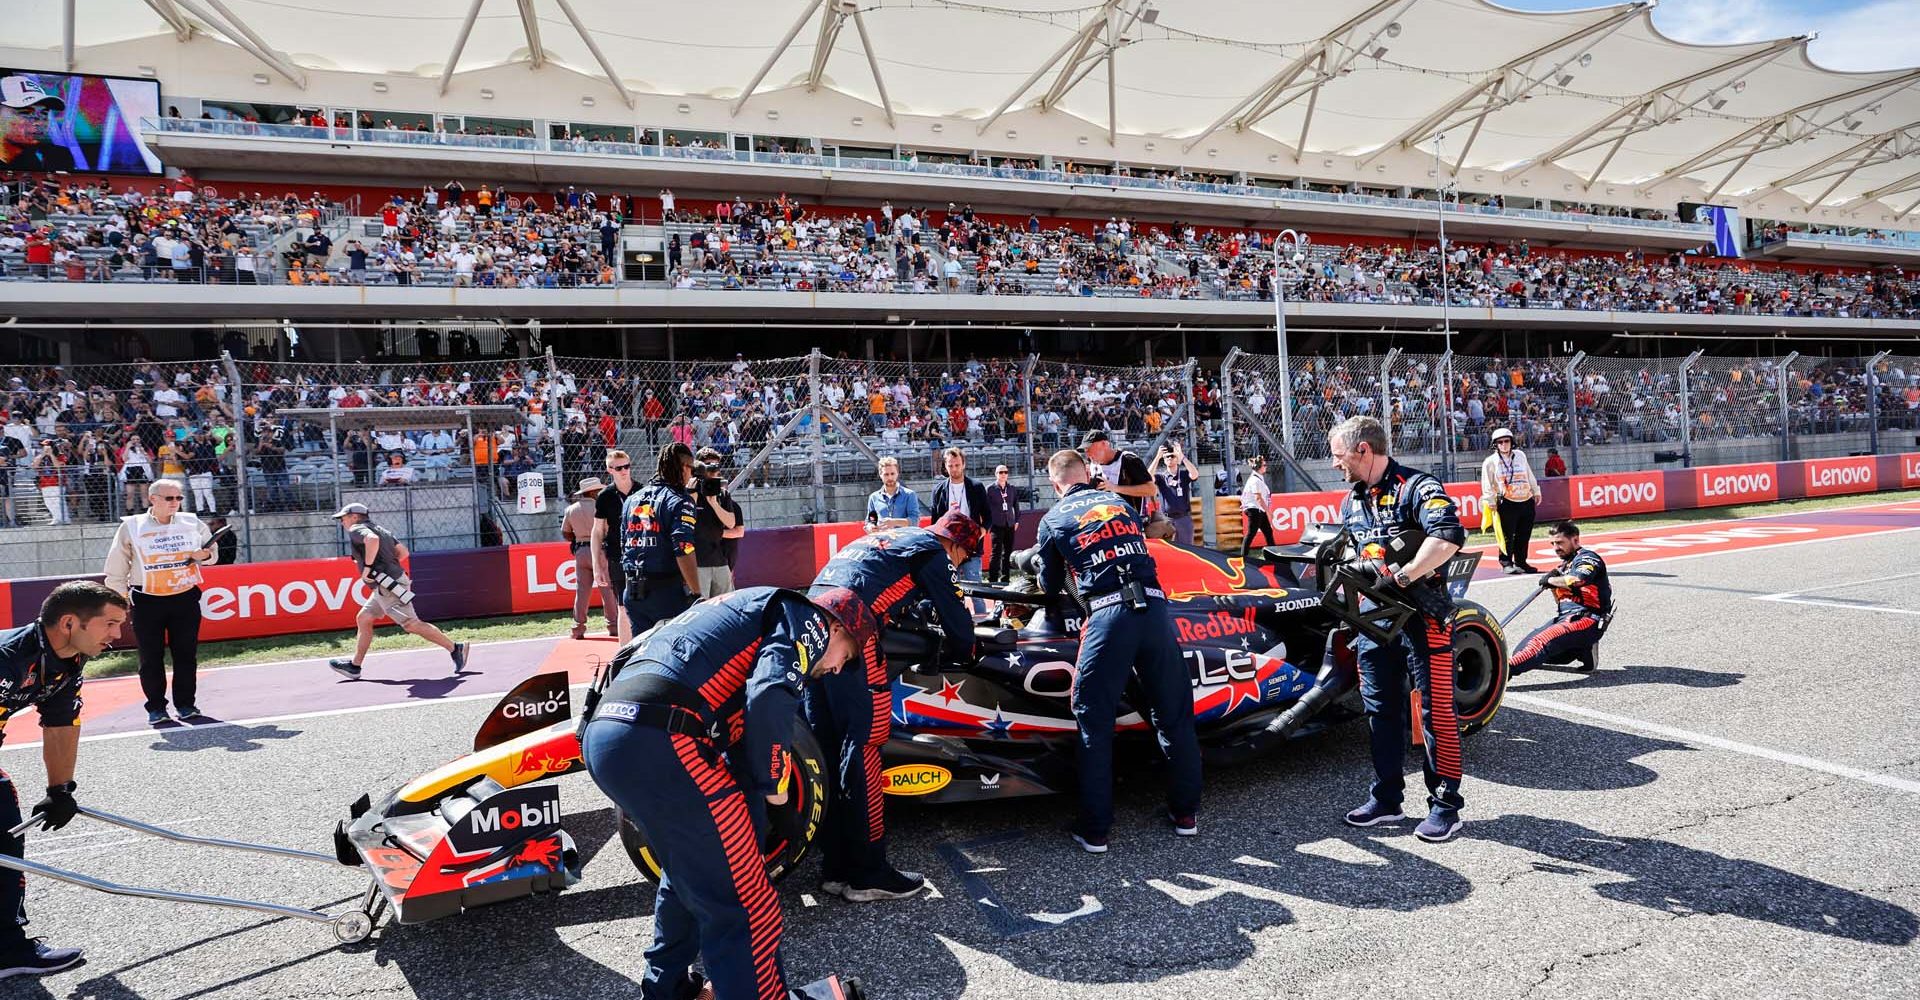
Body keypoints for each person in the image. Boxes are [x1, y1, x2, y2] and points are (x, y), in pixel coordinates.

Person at [579, 585, 868, 1000]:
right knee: (745, 903)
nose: (840, 669)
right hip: (664, 738)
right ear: (837, 625)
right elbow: (768, 697)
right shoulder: (808, 618)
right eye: (848, 656)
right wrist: (777, 793)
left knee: (692, 875)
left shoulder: (739, 615)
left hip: (609, 733)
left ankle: (670, 991)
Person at [806, 512, 981, 902]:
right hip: (851, 630)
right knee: (864, 747)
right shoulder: (932, 553)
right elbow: (957, 621)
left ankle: (835, 868)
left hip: (813, 625)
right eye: (963, 556)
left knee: (828, 749)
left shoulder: (896, 538)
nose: (959, 563)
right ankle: (870, 873)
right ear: (954, 545)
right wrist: (968, 651)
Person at [1032, 449, 1200, 853]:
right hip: (1157, 610)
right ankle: (1186, 814)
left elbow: (1050, 586)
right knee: (1174, 713)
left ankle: (1095, 830)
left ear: (1056, 484)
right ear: (1086, 475)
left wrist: (1036, 561)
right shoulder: (1119, 502)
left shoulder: (1054, 518)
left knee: (1093, 719)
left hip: (1108, 615)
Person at [1328, 415, 1468, 843]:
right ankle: (1387, 798)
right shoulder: (1351, 500)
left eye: (1339, 457)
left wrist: (1403, 577)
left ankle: (1446, 805)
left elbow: (1448, 538)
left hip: (1424, 617)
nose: (1336, 465)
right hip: (1373, 622)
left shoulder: (1417, 487)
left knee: (1434, 710)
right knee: (1379, 711)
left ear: (1363, 450)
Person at [0, 582, 129, 979]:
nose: (117, 635)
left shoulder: (67, 660)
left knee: (4, 835)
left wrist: (60, 789)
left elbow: (60, 724)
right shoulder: (8, 659)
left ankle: (5, 947)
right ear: (70, 622)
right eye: (109, 624)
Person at [103, 479, 217, 725]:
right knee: (150, 657)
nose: (175, 503)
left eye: (178, 498)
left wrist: (205, 555)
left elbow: (211, 553)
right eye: (169, 498)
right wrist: (118, 600)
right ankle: (156, 708)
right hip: (147, 600)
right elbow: (116, 566)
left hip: (185, 597)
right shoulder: (132, 526)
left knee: (186, 655)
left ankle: (186, 705)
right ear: (152, 499)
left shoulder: (191, 522)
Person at [326, 503, 468, 678]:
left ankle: (455, 648)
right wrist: (387, 565)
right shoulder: (381, 530)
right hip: (388, 584)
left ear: (355, 516)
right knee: (364, 618)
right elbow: (403, 552)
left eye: (344, 517)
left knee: (410, 624)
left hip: (387, 586)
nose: (342, 521)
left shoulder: (357, 528)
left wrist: (369, 567)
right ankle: (354, 666)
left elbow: (372, 540)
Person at [1509, 521, 1613, 674]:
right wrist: (1554, 587)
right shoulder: (1564, 566)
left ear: (1575, 540)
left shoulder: (1588, 558)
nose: (1556, 548)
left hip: (1588, 619)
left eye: (1559, 543)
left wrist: (1550, 581)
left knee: (1538, 645)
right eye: (1552, 543)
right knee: (1522, 652)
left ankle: (1499, 674)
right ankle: (1583, 649)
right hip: (1566, 617)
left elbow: (1579, 580)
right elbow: (1562, 602)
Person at [620, 442, 701, 636]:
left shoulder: (632, 499)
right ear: (682, 467)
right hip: (666, 592)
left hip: (633, 591)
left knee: (641, 653)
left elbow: (625, 544)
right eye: (691, 468)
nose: (692, 474)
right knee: (674, 652)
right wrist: (697, 592)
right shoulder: (680, 500)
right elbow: (683, 547)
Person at [590, 449, 638, 642]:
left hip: (643, 553)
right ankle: (624, 653)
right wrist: (597, 565)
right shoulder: (605, 496)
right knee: (623, 605)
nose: (624, 471)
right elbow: (597, 531)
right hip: (618, 556)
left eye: (626, 466)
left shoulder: (642, 491)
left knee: (647, 603)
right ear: (610, 470)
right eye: (619, 468)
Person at [929, 447, 989, 599]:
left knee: (976, 590)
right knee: (952, 591)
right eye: (950, 465)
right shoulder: (938, 490)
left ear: (963, 464)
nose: (954, 469)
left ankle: (983, 618)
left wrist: (980, 533)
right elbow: (935, 520)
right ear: (945, 465)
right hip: (948, 547)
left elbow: (988, 516)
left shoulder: (976, 487)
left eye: (957, 465)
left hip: (971, 546)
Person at [1479, 427, 1540, 574]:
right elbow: (1486, 483)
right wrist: (1491, 500)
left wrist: (1536, 490)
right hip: (1506, 501)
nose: (1504, 444)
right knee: (1507, 535)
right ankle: (1506, 563)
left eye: (1507, 441)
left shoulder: (1520, 455)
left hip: (1526, 499)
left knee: (1524, 534)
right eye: (1500, 442)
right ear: (1495, 444)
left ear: (1512, 442)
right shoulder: (1490, 461)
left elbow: (1528, 473)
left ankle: (1521, 562)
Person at [560, 478, 613, 640]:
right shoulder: (601, 507)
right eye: (597, 491)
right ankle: (613, 625)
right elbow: (609, 530)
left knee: (582, 590)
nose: (599, 493)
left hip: (581, 550)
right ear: (592, 492)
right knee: (607, 589)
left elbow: (566, 533)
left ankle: (578, 627)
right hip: (600, 549)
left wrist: (577, 539)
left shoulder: (571, 509)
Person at [692, 448, 745, 598]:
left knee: (725, 604)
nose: (713, 469)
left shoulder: (722, 494)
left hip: (720, 560)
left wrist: (714, 503)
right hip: (698, 561)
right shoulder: (691, 491)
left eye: (716, 465)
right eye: (709, 465)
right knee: (699, 607)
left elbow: (731, 523)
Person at [1079, 430, 1154, 512]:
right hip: (1105, 518)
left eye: (1090, 449)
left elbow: (1151, 489)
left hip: (1130, 519)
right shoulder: (1092, 465)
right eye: (1086, 451)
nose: (1088, 454)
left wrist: (1116, 488)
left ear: (1104, 444)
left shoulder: (1128, 459)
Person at [1151, 440, 1199, 547]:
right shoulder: (1161, 477)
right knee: (1166, 551)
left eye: (1172, 456)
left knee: (1187, 550)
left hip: (1183, 518)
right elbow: (1147, 477)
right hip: (1166, 519)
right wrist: (1157, 457)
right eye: (1167, 456)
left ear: (1177, 459)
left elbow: (1195, 474)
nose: (1169, 458)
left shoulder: (1184, 474)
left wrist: (1182, 457)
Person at [984, 464, 1020, 584]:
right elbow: (985, 508)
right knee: (996, 552)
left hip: (1009, 524)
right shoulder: (990, 489)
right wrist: (987, 523)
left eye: (1005, 472)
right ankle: (993, 579)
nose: (1003, 474)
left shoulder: (1012, 488)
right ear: (996, 474)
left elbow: (1016, 506)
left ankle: (1005, 578)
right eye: (1000, 472)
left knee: (1008, 553)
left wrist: (1017, 521)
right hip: (996, 524)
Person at [864, 456, 920, 531]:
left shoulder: (909, 495)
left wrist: (893, 522)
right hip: (882, 540)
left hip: (904, 540)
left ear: (897, 474)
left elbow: (915, 521)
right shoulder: (873, 497)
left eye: (892, 474)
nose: (890, 477)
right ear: (880, 475)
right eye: (886, 474)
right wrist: (870, 527)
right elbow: (870, 520)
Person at [1240, 455, 1274, 558]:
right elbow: (1258, 497)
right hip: (1255, 509)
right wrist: (1268, 512)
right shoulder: (1254, 480)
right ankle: (1243, 557)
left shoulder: (1258, 478)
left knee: (1268, 532)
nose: (1266, 467)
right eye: (1264, 465)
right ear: (1259, 467)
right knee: (1251, 534)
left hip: (1259, 509)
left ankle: (1274, 555)